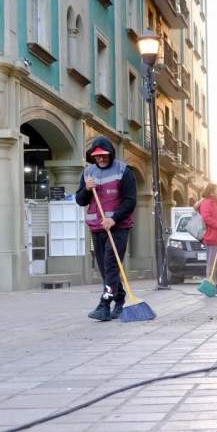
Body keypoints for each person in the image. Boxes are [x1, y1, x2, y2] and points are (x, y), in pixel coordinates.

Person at [76, 136, 137, 322]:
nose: (101, 159)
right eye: (97, 156)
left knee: (111, 265)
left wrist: (114, 218)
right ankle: (119, 299)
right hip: (97, 227)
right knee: (105, 269)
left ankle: (105, 303)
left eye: (104, 156)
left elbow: (130, 200)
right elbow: (80, 201)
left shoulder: (123, 171)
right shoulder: (88, 173)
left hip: (118, 227)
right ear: (93, 157)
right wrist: (86, 189)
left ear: (110, 154)